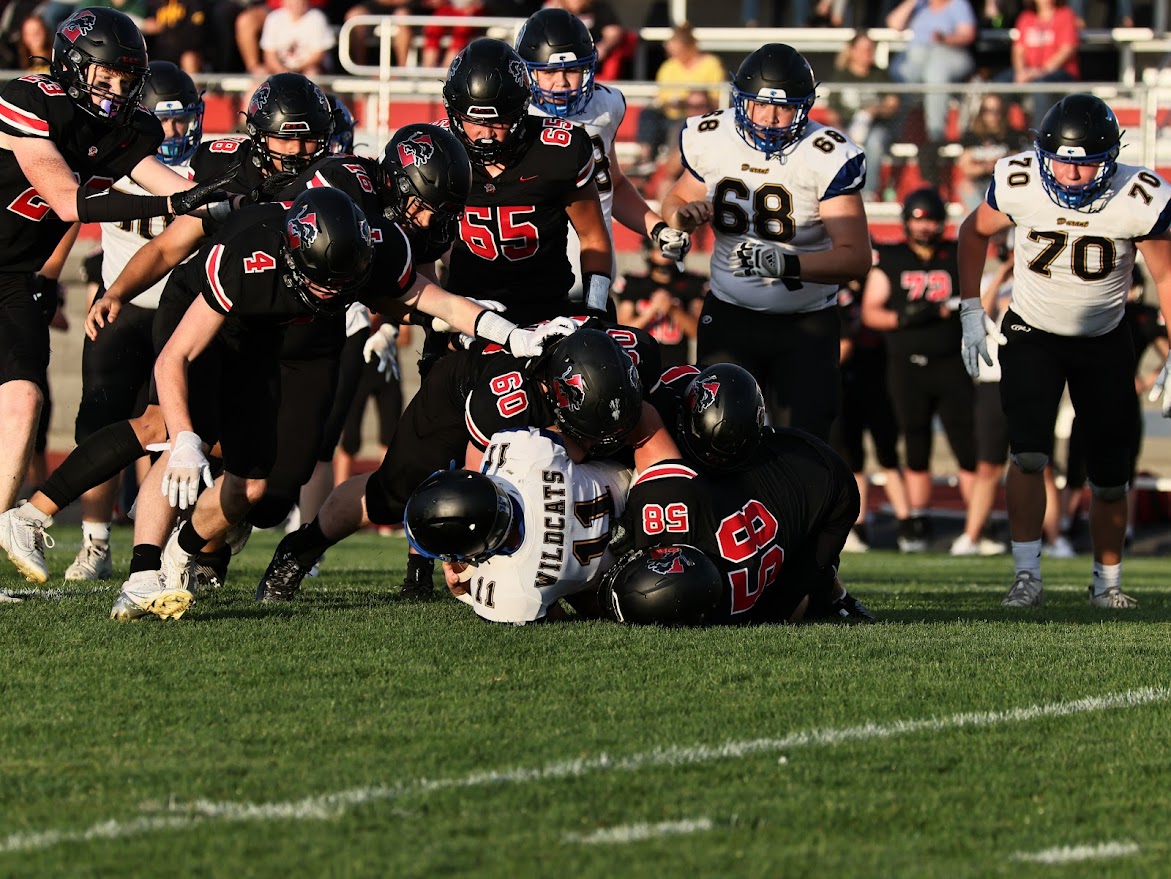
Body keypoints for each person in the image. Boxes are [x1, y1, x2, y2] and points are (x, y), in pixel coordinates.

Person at [0, 7, 226, 581]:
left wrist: (233, 201)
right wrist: (172, 206)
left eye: (128, 80)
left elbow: (179, 189)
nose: (118, 90)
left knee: (25, 400)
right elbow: (68, 202)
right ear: (73, 67)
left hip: (14, 276)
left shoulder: (127, 129)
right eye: (107, 77)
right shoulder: (31, 99)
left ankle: (6, 528)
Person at [256, 324, 656, 602]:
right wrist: (458, 554)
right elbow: (474, 489)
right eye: (581, 433)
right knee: (389, 498)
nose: (588, 445)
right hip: (459, 392)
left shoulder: (629, 356)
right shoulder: (506, 402)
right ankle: (300, 549)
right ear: (553, 394)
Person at [958, 93, 1171, 609]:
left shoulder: (1139, 194)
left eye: (1087, 164)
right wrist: (970, 309)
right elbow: (972, 231)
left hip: (1105, 340)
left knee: (1110, 476)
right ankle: (1027, 575)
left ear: (1110, 159)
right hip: (1033, 333)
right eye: (1063, 162)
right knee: (1029, 453)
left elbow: (1165, 274)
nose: (1072, 176)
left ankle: (1108, 583)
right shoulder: (1018, 179)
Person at [660, 43, 871, 441]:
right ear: (741, 101)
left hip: (805, 325)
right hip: (729, 317)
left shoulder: (825, 153)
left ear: (804, 107)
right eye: (759, 105)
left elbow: (856, 258)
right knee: (716, 436)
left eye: (785, 108)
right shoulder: (713, 135)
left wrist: (787, 264)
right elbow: (676, 198)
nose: (771, 119)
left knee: (805, 445)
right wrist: (679, 217)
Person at [65, 61, 204, 582]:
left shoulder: (206, 166)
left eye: (181, 119)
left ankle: (167, 549)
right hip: (121, 306)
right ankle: (95, 543)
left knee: (171, 433)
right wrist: (54, 282)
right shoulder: (113, 159)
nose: (173, 131)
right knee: (99, 425)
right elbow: (72, 214)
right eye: (162, 120)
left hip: (184, 313)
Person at [607, 365, 875, 626]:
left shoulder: (672, 490)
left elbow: (644, 422)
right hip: (825, 482)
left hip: (811, 485)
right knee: (787, 609)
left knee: (788, 609)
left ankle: (827, 585)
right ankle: (831, 588)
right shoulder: (675, 492)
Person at [861, 187, 1002, 556]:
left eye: (932, 221)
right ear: (906, 221)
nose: (925, 229)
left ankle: (978, 526)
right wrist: (909, 316)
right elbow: (871, 312)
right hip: (905, 366)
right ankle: (918, 523)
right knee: (916, 446)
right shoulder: (891, 258)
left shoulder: (956, 255)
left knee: (967, 447)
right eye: (918, 221)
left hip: (952, 364)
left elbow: (977, 298)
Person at [515, 7, 690, 300]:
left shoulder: (605, 106)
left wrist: (656, 228)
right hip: (531, 291)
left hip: (596, 287)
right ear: (527, 71)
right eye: (550, 72)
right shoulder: (515, 119)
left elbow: (614, 185)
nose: (562, 82)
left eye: (571, 70)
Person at [441, 37, 614, 324]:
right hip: (468, 314)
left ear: (521, 111)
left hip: (545, 312)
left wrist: (595, 308)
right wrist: (436, 316)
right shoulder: (440, 152)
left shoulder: (559, 152)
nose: (487, 133)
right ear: (455, 112)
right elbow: (417, 246)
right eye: (475, 120)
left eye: (499, 120)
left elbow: (593, 237)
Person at [403, 427, 632, 624]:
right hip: (640, 483)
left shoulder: (513, 591)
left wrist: (465, 590)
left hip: (628, 568)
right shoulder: (523, 449)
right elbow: (585, 437)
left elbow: (557, 615)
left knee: (577, 591)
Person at [830, 278, 912, 552]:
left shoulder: (879, 289)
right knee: (854, 457)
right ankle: (861, 524)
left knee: (887, 454)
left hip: (880, 379)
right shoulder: (840, 292)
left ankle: (906, 521)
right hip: (850, 383)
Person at [886, 0, 977, 179]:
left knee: (936, 73)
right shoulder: (920, 6)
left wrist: (946, 39)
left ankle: (935, 136)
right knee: (899, 70)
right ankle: (895, 128)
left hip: (949, 53)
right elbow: (894, 24)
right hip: (919, 58)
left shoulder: (958, 5)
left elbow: (968, 34)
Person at [632, 22, 724, 172]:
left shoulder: (710, 64)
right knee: (648, 114)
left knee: (682, 126)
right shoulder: (668, 66)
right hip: (670, 114)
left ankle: (671, 167)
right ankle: (645, 158)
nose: (669, 49)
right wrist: (683, 101)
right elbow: (663, 100)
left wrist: (696, 100)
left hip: (696, 118)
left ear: (686, 45)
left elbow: (716, 99)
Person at [822, 33, 901, 203]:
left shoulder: (880, 75)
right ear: (852, 51)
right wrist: (842, 132)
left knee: (875, 142)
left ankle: (868, 194)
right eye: (864, 49)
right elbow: (832, 112)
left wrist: (874, 110)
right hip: (847, 126)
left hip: (876, 127)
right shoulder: (841, 76)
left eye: (870, 49)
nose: (868, 53)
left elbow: (892, 103)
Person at [613, 242, 704, 370]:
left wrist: (673, 309)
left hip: (676, 367)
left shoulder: (691, 283)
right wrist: (652, 310)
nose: (665, 255)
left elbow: (697, 332)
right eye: (659, 250)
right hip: (640, 365)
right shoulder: (634, 283)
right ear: (648, 252)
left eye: (669, 250)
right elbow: (623, 330)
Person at [995, 0, 1080, 127]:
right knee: (999, 84)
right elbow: (1018, 50)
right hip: (1028, 71)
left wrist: (1039, 72)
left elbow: (1066, 49)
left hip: (1058, 73)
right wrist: (1021, 72)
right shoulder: (1026, 17)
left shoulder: (1065, 15)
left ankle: (1040, 136)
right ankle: (1004, 135)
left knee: (1040, 86)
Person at [954, 94, 1029, 214]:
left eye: (997, 110)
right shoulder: (972, 136)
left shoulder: (1011, 135)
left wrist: (991, 167)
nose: (993, 115)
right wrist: (987, 167)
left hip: (1003, 182)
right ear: (981, 112)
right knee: (965, 185)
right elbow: (966, 167)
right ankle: (978, 221)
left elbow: (1017, 165)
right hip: (979, 181)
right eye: (988, 110)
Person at [259, 0, 335, 75]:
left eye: (300, 2)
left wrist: (295, 70)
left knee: (312, 73)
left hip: (308, 69)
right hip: (280, 70)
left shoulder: (317, 18)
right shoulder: (273, 18)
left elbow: (318, 55)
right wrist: (281, 70)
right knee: (259, 77)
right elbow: (269, 54)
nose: (296, 4)